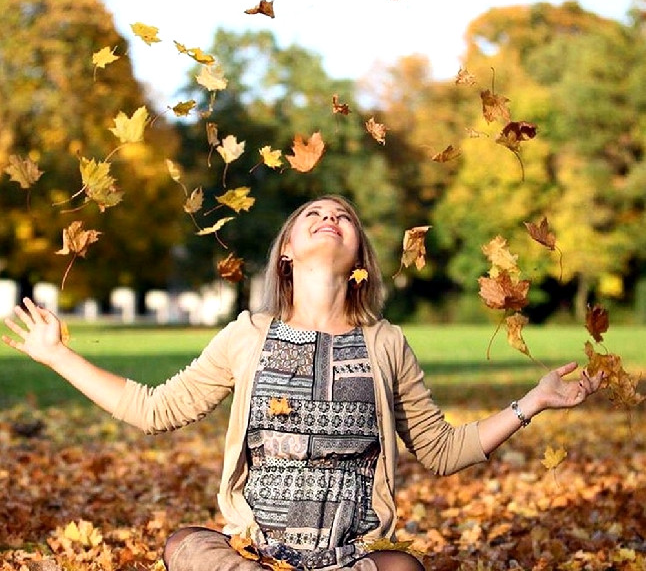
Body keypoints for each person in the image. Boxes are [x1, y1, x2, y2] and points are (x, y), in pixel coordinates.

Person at [2, 195, 602, 571]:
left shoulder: (386, 344)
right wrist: (57, 356)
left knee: (402, 570)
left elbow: (443, 451)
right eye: (313, 215)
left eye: (343, 216)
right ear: (287, 252)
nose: (330, 218)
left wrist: (536, 400)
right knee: (186, 544)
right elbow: (154, 409)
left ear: (360, 253)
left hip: (346, 560)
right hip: (252, 557)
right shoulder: (247, 335)